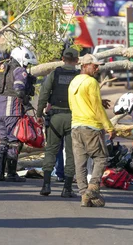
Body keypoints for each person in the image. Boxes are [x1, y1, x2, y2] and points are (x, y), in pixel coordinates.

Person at [68, 53, 116, 207]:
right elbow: (96, 107)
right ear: (84, 65)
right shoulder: (91, 82)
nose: (97, 68)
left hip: (76, 126)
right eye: (94, 66)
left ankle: (84, 195)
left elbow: (73, 104)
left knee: (80, 163)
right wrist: (109, 126)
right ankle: (93, 188)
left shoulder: (74, 82)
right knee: (101, 158)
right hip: (91, 127)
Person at [37, 47, 80, 198]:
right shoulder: (79, 75)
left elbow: (43, 94)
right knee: (71, 153)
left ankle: (46, 185)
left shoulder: (54, 73)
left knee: (51, 151)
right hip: (73, 118)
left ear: (62, 59)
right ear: (77, 60)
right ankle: (67, 188)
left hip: (55, 117)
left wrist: (38, 113)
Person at [0, 46, 37, 182]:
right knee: (14, 141)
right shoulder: (19, 70)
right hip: (11, 109)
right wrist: (26, 103)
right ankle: (11, 173)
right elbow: (19, 90)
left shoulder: (3, 68)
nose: (27, 65)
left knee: (3, 140)